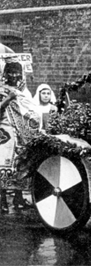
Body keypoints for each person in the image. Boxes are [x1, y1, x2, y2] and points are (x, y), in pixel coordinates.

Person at [0, 61, 38, 212]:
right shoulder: (1, 90)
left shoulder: (23, 90)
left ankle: (18, 197)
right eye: (11, 72)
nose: (14, 76)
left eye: (17, 72)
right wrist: (9, 98)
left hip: (21, 132)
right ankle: (2, 200)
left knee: (21, 164)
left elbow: (30, 109)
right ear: (5, 74)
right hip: (5, 132)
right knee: (4, 166)